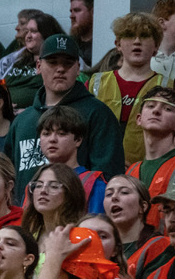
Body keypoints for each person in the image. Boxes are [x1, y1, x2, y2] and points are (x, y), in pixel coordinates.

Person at [10, 35, 126, 195]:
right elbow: (9, 178)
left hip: (79, 210)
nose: (60, 69)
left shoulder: (98, 113)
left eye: (68, 63)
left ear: (78, 68)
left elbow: (108, 178)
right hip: (26, 210)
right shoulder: (22, 121)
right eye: (52, 62)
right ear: (38, 66)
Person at [88, 13, 163, 165]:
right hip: (98, 169)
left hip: (147, 171)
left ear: (156, 46)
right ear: (118, 44)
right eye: (129, 35)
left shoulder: (167, 86)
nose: (137, 41)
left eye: (144, 36)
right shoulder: (95, 83)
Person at [125, 86, 175, 230]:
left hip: (172, 243)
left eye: (167, 108)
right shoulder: (131, 171)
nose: (156, 111)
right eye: (150, 106)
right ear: (139, 119)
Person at [0, 13, 65, 112]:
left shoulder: (58, 62)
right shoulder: (15, 57)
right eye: (26, 32)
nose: (28, 36)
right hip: (1, 112)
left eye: (33, 31)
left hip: (35, 113)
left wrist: (27, 112)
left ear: (47, 34)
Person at [35, 107, 107, 213]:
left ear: (78, 140)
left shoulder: (94, 185)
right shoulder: (34, 186)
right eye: (46, 133)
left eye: (61, 133)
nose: (52, 139)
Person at [23, 162, 88, 244]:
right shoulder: (29, 236)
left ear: (70, 193)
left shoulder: (80, 237)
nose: (43, 191)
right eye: (39, 185)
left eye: (53, 186)